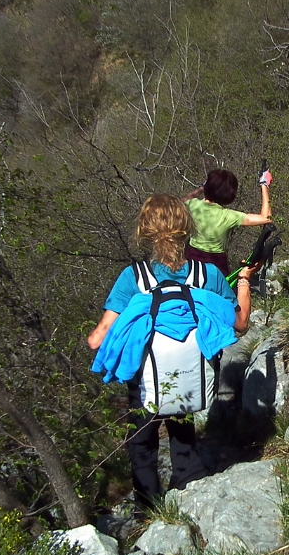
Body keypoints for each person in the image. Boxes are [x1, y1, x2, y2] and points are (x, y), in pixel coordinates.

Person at [87, 194, 259, 511]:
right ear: (188, 229)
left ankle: (148, 507)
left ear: (145, 232)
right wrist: (245, 281)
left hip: (145, 380)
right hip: (190, 374)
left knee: (142, 438)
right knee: (181, 419)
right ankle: (188, 484)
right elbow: (241, 323)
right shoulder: (208, 276)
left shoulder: (133, 279)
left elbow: (98, 340)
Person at [183, 167, 273, 275]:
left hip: (190, 262)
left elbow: (184, 199)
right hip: (216, 265)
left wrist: (202, 188)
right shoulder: (228, 216)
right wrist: (264, 184)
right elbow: (266, 218)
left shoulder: (193, 205)